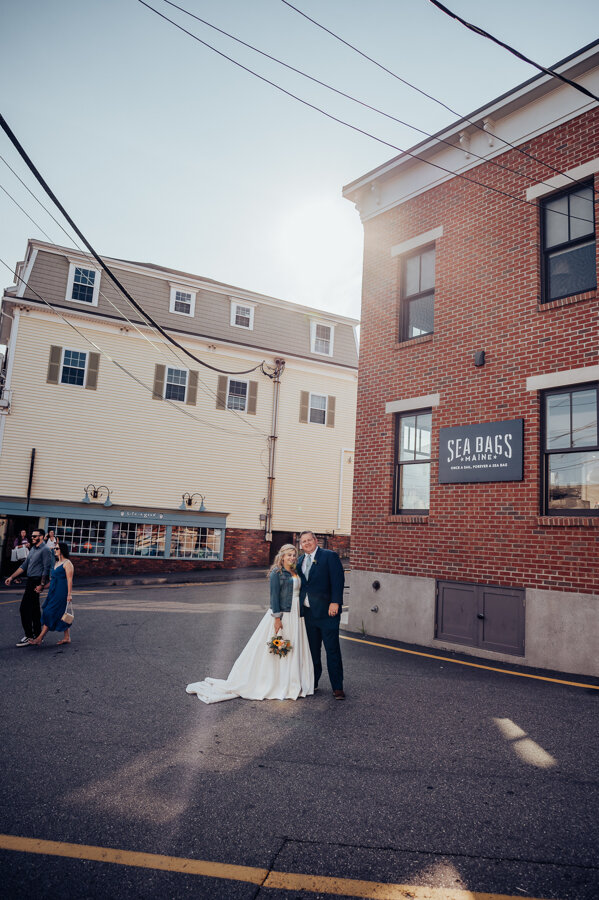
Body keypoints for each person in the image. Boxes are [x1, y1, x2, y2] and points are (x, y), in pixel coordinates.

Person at [186, 544, 313, 703]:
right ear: (282, 556)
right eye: (289, 555)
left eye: (294, 555)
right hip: (283, 614)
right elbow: (274, 597)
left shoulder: (296, 571)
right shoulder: (276, 573)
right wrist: (277, 619)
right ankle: (276, 682)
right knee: (281, 647)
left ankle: (292, 680)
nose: (292, 558)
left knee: (293, 647)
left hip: (297, 614)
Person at [297, 531, 345, 699]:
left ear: (316, 541)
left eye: (310, 540)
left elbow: (338, 580)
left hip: (327, 613)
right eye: (304, 541)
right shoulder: (300, 561)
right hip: (308, 614)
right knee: (312, 652)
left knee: (332, 650)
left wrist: (335, 602)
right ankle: (313, 682)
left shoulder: (329, 556)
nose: (307, 543)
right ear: (300, 544)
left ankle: (337, 687)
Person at [5, 528, 52, 647]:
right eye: (32, 536)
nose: (32, 538)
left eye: (35, 536)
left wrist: (41, 585)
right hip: (30, 581)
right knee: (34, 610)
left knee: (24, 609)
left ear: (41, 537)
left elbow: (46, 568)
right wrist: (11, 577)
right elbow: (24, 565)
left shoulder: (45, 550)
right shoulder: (32, 549)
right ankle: (37, 635)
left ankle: (29, 635)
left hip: (36, 581)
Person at [30, 542, 74, 646]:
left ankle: (39, 638)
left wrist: (69, 594)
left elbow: (69, 580)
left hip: (61, 593)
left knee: (49, 612)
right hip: (53, 592)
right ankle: (67, 637)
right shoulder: (57, 563)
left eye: (57, 548)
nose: (55, 550)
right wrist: (43, 587)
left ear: (62, 550)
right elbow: (53, 580)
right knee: (59, 613)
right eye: (54, 548)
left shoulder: (68, 563)